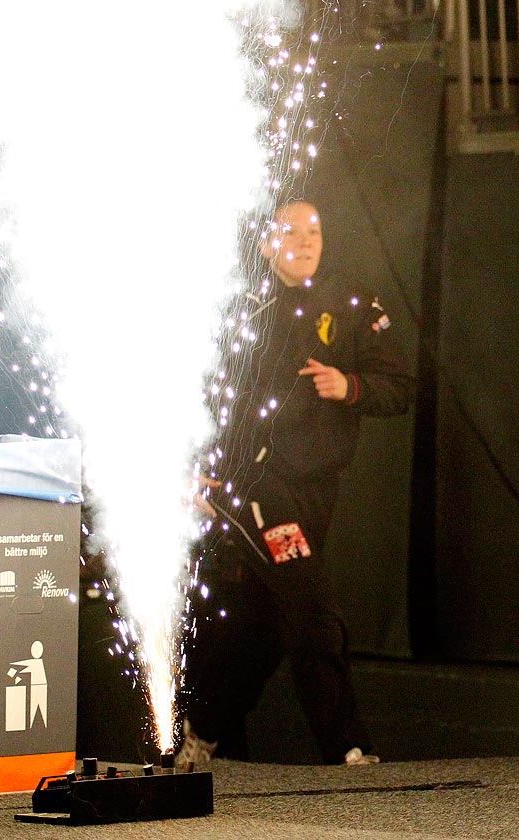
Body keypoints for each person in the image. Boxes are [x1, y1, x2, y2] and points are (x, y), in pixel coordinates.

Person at [180, 198, 414, 768]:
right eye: (291, 232)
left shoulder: (353, 303)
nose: (306, 242)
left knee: (262, 630)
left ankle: (202, 731)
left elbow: (401, 386)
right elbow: (199, 394)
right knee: (313, 612)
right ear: (266, 245)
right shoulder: (241, 310)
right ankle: (349, 750)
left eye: (315, 230)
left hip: (317, 493)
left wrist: (350, 386)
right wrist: (191, 471)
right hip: (256, 490)